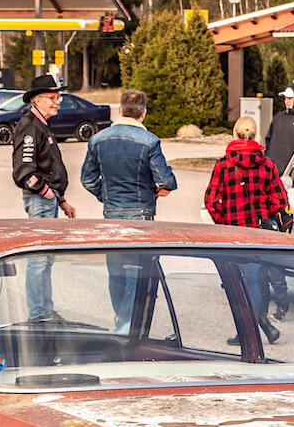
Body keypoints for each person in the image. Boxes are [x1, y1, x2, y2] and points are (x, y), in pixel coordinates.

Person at [81, 89, 177, 331]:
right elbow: (166, 180)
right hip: (141, 214)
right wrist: (157, 190)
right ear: (143, 114)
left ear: (120, 110)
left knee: (116, 271)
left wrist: (106, 196)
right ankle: (127, 322)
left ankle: (120, 318)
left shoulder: (98, 140)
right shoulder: (150, 141)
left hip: (112, 212)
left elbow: (88, 179)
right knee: (137, 271)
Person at [204, 117, 289, 345]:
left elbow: (211, 201)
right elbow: (280, 199)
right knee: (255, 280)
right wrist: (266, 214)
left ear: (235, 134)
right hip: (259, 232)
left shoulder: (224, 165)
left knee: (237, 282)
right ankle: (261, 325)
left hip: (233, 232)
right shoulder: (267, 164)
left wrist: (224, 222)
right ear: (255, 135)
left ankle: (247, 332)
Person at [12, 75, 76, 322]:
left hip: (49, 199)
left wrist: (61, 199)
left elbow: (49, 167)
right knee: (39, 259)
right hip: (40, 200)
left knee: (46, 257)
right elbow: (23, 170)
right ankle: (39, 313)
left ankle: (45, 310)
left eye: (58, 97)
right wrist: (45, 192)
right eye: (52, 98)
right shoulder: (30, 126)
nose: (57, 102)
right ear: (37, 100)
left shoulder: (41, 124)